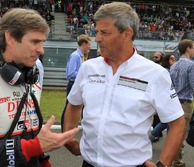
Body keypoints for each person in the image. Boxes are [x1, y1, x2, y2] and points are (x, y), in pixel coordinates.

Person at [0, 8, 79, 167]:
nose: (41, 50)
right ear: (10, 38)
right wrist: (35, 147)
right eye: (35, 42)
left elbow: (31, 140)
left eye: (42, 42)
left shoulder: (30, 79)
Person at [63, 2, 186, 167]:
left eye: (104, 32)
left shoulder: (155, 73)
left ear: (127, 34)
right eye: (97, 32)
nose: (97, 38)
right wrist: (68, 137)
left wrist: (163, 164)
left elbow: (177, 122)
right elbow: (74, 104)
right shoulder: (88, 68)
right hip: (89, 164)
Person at [170, 39, 194, 167]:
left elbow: (170, 86)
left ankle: (173, 158)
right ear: (188, 49)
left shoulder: (174, 65)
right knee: (181, 134)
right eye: (193, 47)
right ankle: (176, 161)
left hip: (174, 102)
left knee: (174, 132)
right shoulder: (191, 65)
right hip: (185, 103)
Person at [61, 34, 91, 129]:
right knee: (68, 107)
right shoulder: (76, 56)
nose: (90, 47)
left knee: (81, 107)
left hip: (78, 84)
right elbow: (70, 74)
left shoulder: (82, 56)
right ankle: (64, 130)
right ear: (83, 44)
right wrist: (84, 73)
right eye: (89, 44)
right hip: (73, 84)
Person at [150, 54, 177, 143]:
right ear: (167, 60)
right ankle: (153, 135)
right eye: (172, 59)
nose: (174, 60)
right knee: (167, 120)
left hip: (167, 98)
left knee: (166, 120)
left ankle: (154, 135)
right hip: (165, 98)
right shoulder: (165, 71)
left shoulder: (170, 70)